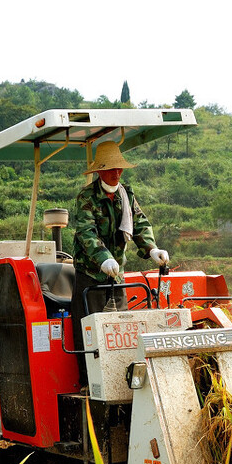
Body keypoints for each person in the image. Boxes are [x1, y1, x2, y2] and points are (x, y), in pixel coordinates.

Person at [70, 141, 168, 372]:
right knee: (91, 333)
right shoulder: (87, 197)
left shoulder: (126, 194)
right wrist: (103, 258)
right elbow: (86, 232)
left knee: (121, 329)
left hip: (117, 276)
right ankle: (89, 382)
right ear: (100, 170)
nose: (116, 173)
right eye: (111, 169)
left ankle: (124, 377)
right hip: (91, 275)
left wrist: (152, 249)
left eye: (119, 169)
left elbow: (140, 223)